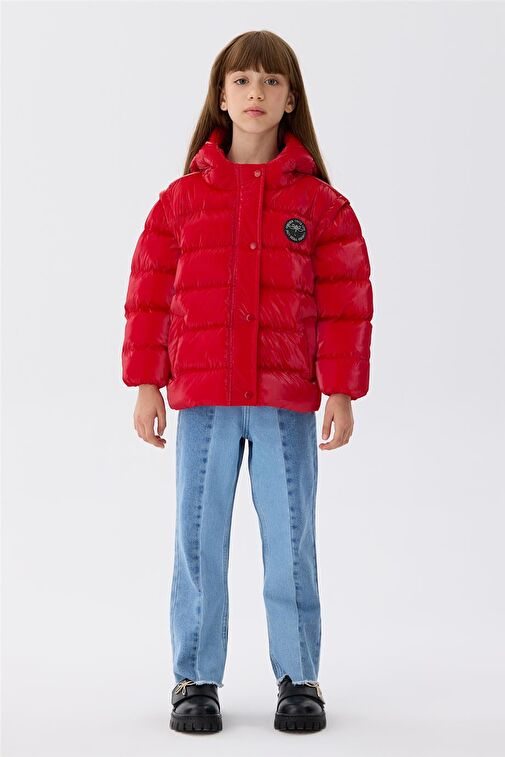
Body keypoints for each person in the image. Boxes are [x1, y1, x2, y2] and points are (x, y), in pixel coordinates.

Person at [121, 29, 373, 734]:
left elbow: (346, 301)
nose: (254, 92)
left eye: (270, 81)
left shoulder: (320, 206)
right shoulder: (181, 202)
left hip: (284, 401)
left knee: (289, 539)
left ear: (290, 99)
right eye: (241, 80)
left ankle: (299, 675)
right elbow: (149, 294)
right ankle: (195, 677)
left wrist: (340, 390)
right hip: (202, 400)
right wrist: (147, 383)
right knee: (198, 540)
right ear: (220, 97)